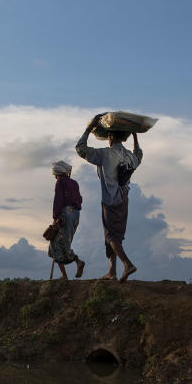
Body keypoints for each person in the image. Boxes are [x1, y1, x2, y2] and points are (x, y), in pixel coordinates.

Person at [76, 114, 142, 282]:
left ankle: (127, 264)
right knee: (113, 235)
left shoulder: (106, 154)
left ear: (111, 136)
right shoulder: (129, 156)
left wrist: (88, 128)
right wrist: (134, 135)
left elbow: (81, 149)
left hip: (110, 200)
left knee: (112, 237)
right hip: (124, 199)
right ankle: (112, 271)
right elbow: (139, 155)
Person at [49, 161, 86, 279]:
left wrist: (56, 217)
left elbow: (58, 200)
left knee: (56, 244)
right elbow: (80, 199)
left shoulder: (60, 182)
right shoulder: (74, 183)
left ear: (57, 173)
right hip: (75, 215)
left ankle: (74, 265)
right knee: (63, 242)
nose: (54, 177)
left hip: (65, 214)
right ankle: (65, 273)